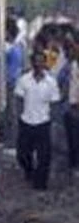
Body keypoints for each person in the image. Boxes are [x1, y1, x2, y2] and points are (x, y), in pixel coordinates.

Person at [15, 50, 61, 190]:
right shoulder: (24, 80)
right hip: (26, 121)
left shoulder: (51, 82)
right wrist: (19, 116)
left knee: (44, 156)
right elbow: (18, 99)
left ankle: (40, 184)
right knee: (22, 154)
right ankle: (29, 171)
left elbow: (54, 103)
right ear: (32, 63)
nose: (38, 64)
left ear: (45, 63)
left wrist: (53, 122)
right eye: (36, 61)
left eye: (41, 61)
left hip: (43, 122)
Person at [65, 40, 79, 179]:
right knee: (72, 138)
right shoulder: (72, 65)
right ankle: (73, 164)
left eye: (75, 48)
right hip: (71, 106)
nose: (72, 51)